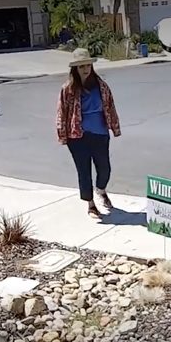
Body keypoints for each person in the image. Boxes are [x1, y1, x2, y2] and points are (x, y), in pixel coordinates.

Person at [56, 48, 122, 219]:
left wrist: (115, 127)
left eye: (87, 65)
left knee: (104, 168)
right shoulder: (68, 89)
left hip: (100, 134)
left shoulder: (101, 86)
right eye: (81, 67)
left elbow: (110, 106)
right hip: (77, 137)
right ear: (75, 70)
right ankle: (91, 204)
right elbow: (61, 112)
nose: (85, 69)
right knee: (83, 171)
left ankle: (101, 190)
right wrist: (62, 135)